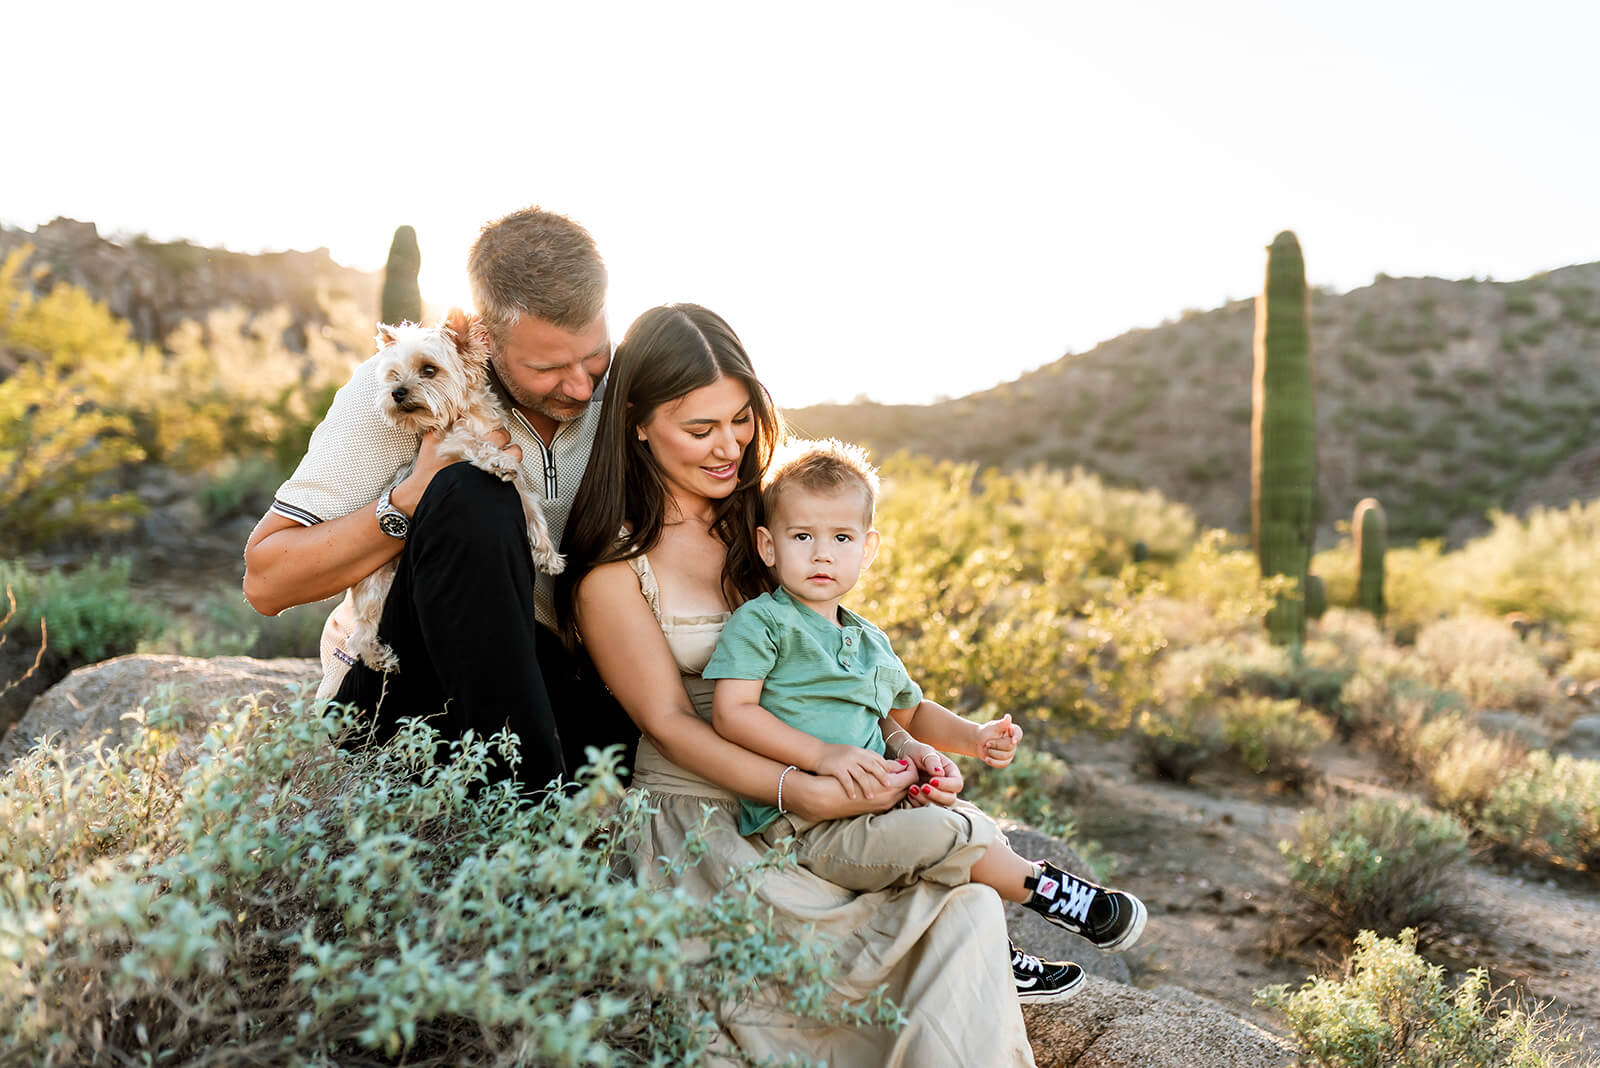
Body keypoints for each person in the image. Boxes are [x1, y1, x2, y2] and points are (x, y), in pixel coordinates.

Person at [562, 303, 1064, 1064]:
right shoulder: (614, 568)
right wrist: (799, 784)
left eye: (739, 419)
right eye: (699, 429)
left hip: (828, 814)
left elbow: (846, 676)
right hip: (709, 829)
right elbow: (668, 721)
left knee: (968, 912)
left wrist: (903, 749)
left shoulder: (773, 522)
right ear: (634, 422)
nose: (729, 446)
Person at [704, 438, 1148, 1003]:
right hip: (805, 825)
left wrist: (973, 737)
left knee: (957, 815)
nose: (821, 554)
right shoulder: (761, 623)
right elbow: (732, 713)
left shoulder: (868, 639)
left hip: (877, 805)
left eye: (840, 538)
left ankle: (995, 955)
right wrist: (824, 756)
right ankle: (1051, 892)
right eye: (802, 537)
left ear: (867, 549)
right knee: (948, 833)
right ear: (768, 546)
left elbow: (909, 712)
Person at [242, 206, 635, 788]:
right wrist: (409, 500)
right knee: (471, 491)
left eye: (594, 356)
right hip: (410, 693)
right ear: (484, 336)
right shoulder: (401, 389)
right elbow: (266, 580)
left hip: (564, 686)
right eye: (548, 367)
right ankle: (530, 812)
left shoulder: (630, 396)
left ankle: (550, 790)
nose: (580, 385)